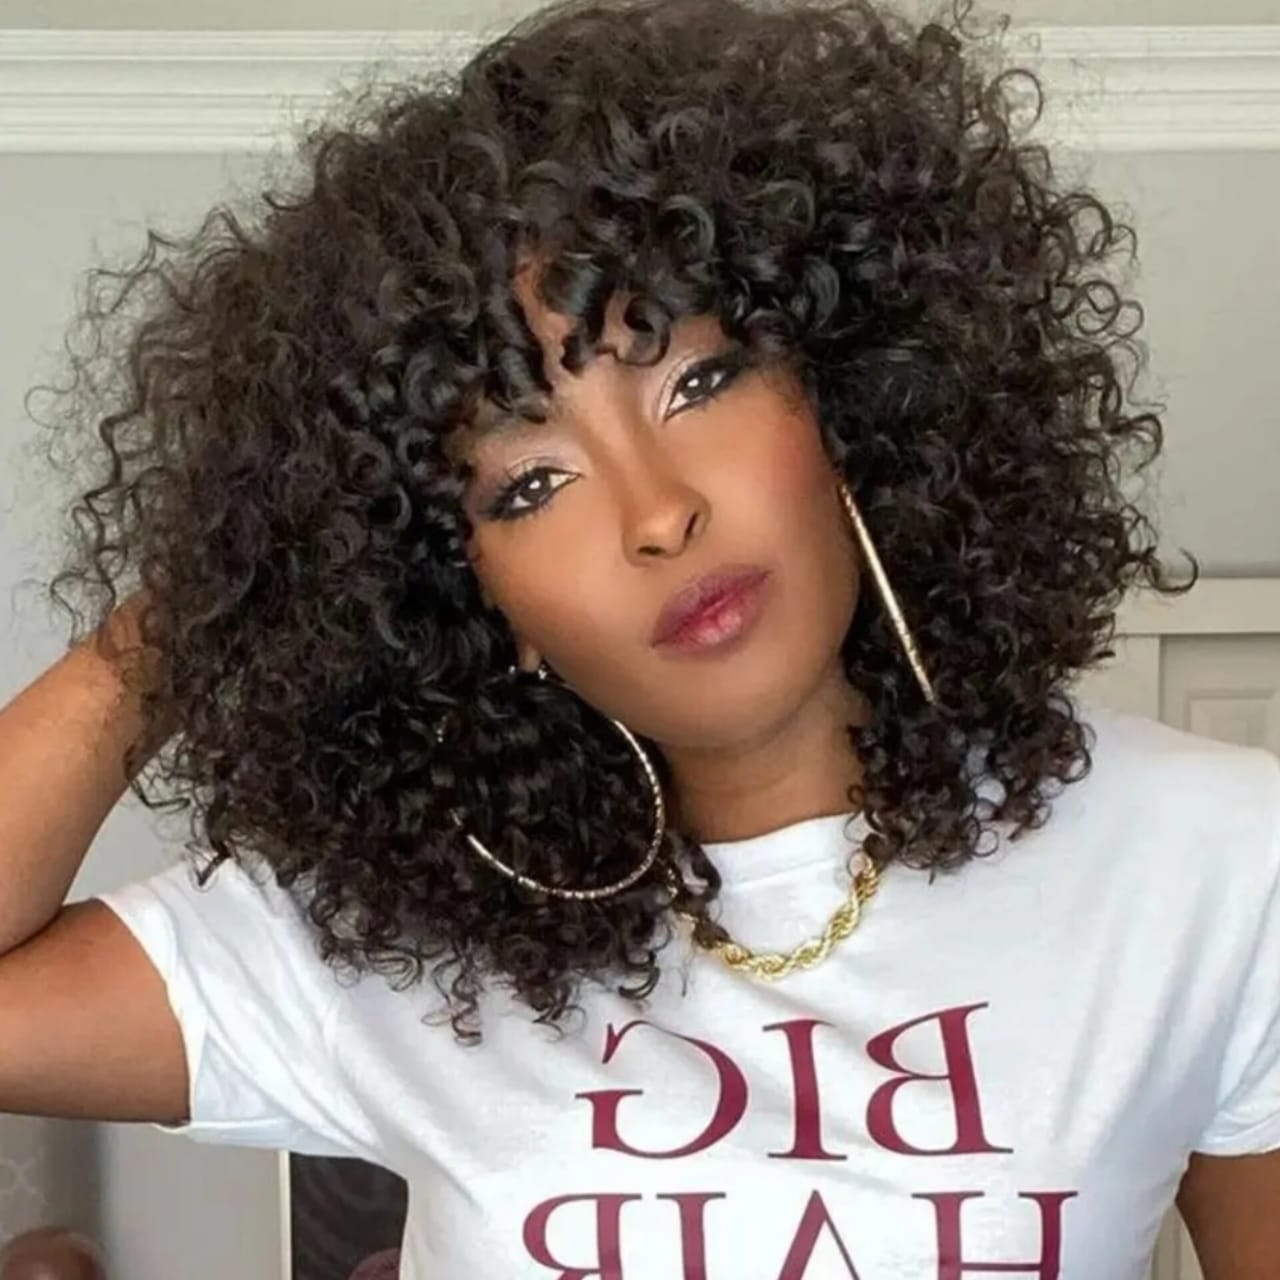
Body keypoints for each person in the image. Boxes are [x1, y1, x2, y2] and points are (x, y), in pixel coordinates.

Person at [1, 0, 1278, 1276]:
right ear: (471, 604)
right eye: (529, 486)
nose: (657, 513)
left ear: (845, 397)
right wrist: (225, 580)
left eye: (696, 381)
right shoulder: (387, 939)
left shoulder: (1214, 864)